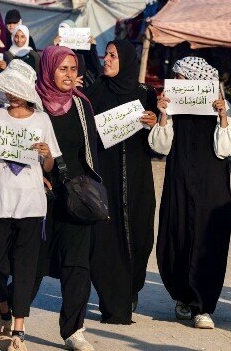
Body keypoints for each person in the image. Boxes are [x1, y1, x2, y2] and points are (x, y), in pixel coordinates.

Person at [0, 59, 60, 351]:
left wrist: (47, 153)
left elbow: (49, 165)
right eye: (8, 88)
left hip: (31, 203)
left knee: (25, 268)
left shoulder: (41, 121)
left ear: (27, 92)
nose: (11, 94)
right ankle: (4, 309)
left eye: (16, 89)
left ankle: (19, 328)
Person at [150, 57, 231, 330]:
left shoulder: (221, 106)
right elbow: (161, 147)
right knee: (179, 234)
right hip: (179, 182)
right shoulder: (172, 107)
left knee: (209, 241)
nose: (177, 83)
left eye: (180, 78)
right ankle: (183, 297)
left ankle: (203, 306)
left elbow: (225, 149)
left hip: (212, 186)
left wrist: (222, 116)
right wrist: (163, 115)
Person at [85, 40, 158, 324]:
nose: (107, 59)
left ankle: (132, 287)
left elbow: (158, 144)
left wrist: (155, 121)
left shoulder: (145, 94)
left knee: (140, 236)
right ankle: (112, 299)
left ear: (126, 59)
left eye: (113, 55)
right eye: (106, 54)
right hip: (106, 177)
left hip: (138, 177)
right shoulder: (93, 92)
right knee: (105, 239)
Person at [35, 46, 102, 351]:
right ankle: (13, 316)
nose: (68, 75)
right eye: (62, 68)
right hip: (40, 195)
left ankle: (73, 329)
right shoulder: (34, 104)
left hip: (75, 194)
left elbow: (90, 152)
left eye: (73, 69)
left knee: (78, 265)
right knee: (32, 261)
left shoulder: (81, 104)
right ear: (48, 69)